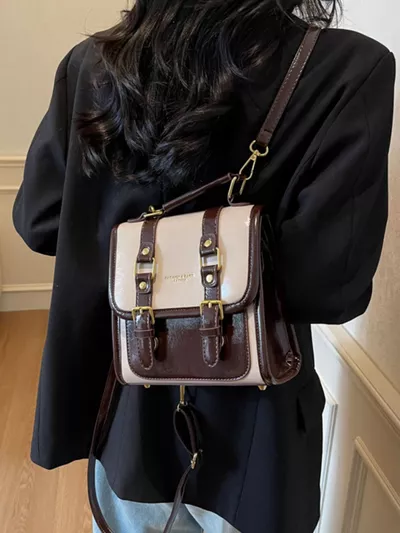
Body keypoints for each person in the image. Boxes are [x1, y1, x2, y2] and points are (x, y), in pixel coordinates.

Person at [13, 1, 395, 532]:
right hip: (257, 438)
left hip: (126, 413)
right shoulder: (349, 67)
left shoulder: (93, 64)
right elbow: (333, 288)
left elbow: (39, 220)